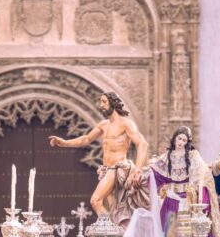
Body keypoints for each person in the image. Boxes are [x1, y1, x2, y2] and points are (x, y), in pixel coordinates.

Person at [49, 92, 150, 226]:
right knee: (115, 209)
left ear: (113, 103)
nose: (101, 105)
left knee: (95, 200)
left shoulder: (126, 124)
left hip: (118, 168)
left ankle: (108, 230)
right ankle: (121, 232)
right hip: (106, 170)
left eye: (104, 102)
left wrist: (137, 170)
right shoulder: (103, 125)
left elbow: (142, 144)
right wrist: (64, 143)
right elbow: (86, 139)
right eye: (100, 102)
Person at [150, 126, 220, 237]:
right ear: (175, 138)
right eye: (179, 138)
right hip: (171, 200)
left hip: (186, 200)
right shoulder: (166, 157)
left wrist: (197, 192)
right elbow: (154, 172)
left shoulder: (192, 156)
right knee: (168, 234)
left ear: (187, 142)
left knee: (186, 236)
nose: (181, 142)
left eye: (184, 140)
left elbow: (203, 175)